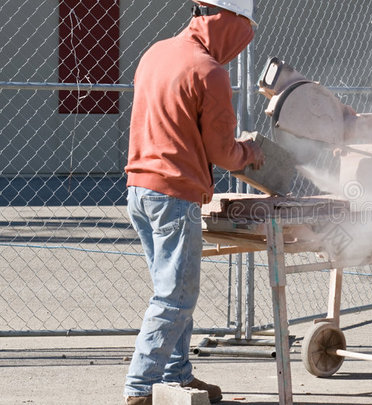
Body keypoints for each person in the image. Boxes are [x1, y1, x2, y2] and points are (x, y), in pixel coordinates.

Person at [123, 1, 263, 404]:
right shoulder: (209, 71)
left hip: (139, 189)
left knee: (173, 291)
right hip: (174, 196)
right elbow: (221, 151)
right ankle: (139, 388)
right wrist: (249, 152)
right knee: (176, 297)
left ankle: (177, 376)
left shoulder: (156, 52)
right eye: (245, 31)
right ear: (230, 23)